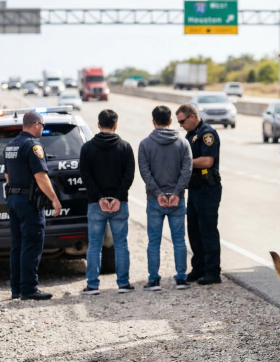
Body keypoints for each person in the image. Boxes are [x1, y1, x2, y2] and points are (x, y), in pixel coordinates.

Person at [4, 111, 62, 301]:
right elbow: (40, 176)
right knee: (32, 244)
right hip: (28, 203)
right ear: (36, 124)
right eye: (43, 126)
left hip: (13, 199)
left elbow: (7, 176)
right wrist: (54, 199)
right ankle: (29, 289)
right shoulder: (33, 146)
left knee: (17, 245)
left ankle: (17, 288)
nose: (42, 130)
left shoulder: (10, 146)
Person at [79, 109, 136, 295]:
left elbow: (85, 177)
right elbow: (129, 176)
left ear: (98, 125)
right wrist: (117, 197)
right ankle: (123, 284)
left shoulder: (87, 148)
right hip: (120, 204)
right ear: (116, 125)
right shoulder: (125, 147)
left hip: (96, 204)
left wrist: (100, 197)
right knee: (121, 244)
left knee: (94, 245)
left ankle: (93, 285)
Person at [137, 105, 193, 291]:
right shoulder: (183, 143)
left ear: (154, 122)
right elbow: (187, 171)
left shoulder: (145, 144)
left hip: (155, 200)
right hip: (177, 200)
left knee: (154, 241)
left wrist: (159, 193)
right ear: (170, 121)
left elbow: (145, 172)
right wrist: (176, 193)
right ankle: (181, 278)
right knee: (179, 240)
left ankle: (154, 280)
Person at [175, 104, 222, 286]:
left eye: (182, 121)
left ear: (192, 116)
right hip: (194, 188)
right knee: (193, 230)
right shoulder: (190, 135)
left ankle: (213, 271)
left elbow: (207, 161)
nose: (180, 125)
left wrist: (184, 162)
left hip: (208, 189)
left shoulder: (207, 134)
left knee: (207, 230)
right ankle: (199, 267)